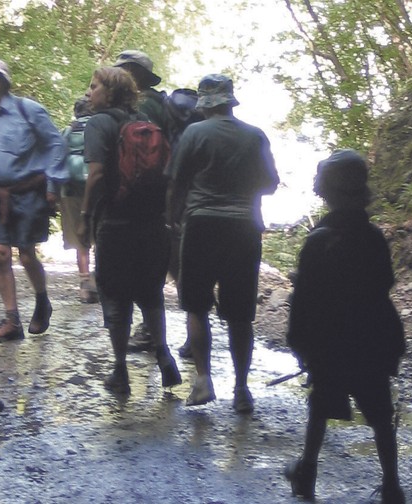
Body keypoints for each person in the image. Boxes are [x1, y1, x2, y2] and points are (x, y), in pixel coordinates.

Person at [283, 150, 406, 504]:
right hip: (370, 341)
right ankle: (392, 485)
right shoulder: (373, 237)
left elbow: (304, 298)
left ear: (326, 192)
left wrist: (299, 343)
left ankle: (307, 473)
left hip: (329, 344)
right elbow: (385, 283)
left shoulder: (318, 240)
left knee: (320, 408)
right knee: (381, 415)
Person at [166, 74, 279, 412]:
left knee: (197, 306)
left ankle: (203, 381)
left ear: (203, 103)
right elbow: (271, 184)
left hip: (200, 224)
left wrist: (171, 219)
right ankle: (242, 390)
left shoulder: (194, 133)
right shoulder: (254, 135)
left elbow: (177, 182)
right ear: (230, 100)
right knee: (240, 314)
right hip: (244, 227)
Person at [78, 66, 181, 394]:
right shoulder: (148, 124)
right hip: (152, 224)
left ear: (110, 92)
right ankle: (164, 354)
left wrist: (84, 217)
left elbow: (95, 176)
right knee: (150, 294)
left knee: (116, 297)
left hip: (116, 223)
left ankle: (120, 369)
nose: (88, 92)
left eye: (94, 86)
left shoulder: (99, 124)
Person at [0, 59, 66, 342]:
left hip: (28, 193)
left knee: (26, 253)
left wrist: (54, 183)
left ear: (5, 81)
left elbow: (55, 143)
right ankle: (12, 321)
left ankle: (42, 301)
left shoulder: (27, 109)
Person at [113, 49, 171, 354]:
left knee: (137, 269)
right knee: (154, 265)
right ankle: (160, 334)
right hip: (162, 192)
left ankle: (148, 333)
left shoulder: (143, 105)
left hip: (141, 194)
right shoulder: (162, 103)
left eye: (125, 71)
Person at [59, 98, 97, 303]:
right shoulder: (100, 128)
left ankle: (85, 287)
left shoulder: (68, 131)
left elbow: (57, 159)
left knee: (79, 239)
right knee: (99, 234)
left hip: (70, 190)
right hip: (97, 188)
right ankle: (99, 282)